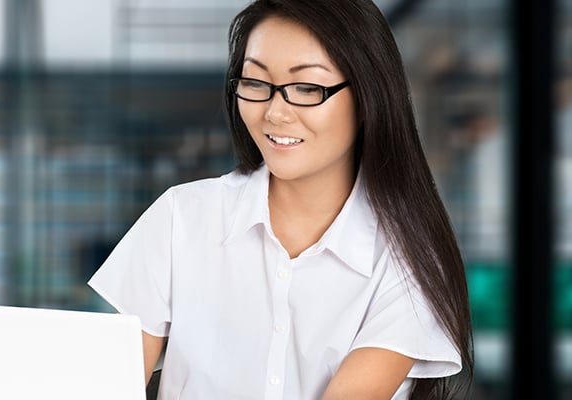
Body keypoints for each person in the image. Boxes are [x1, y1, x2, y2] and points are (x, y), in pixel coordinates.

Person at [88, 0, 474, 399]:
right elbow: (108, 384)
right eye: (255, 83)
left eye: (307, 88)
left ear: (367, 97)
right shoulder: (181, 218)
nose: (275, 112)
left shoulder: (407, 259)